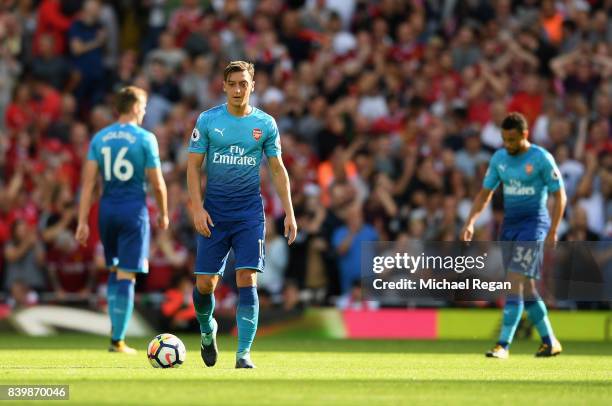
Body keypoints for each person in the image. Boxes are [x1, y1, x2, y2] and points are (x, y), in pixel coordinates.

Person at [187, 60, 297, 369]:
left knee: (247, 277)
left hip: (249, 213)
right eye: (232, 84)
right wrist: (197, 207)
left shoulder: (266, 124)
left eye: (243, 84)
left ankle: (243, 353)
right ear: (223, 86)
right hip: (215, 213)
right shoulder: (208, 121)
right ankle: (208, 330)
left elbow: (277, 169)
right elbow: (193, 167)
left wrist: (289, 212)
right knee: (205, 284)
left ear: (252, 86)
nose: (238, 89)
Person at [461, 112, 566, 359]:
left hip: (533, 226)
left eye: (512, 140)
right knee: (526, 288)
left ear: (524, 135)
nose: (507, 145)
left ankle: (503, 345)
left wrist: (553, 230)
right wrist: (471, 222)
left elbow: (559, 194)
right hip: (509, 228)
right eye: (504, 139)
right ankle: (550, 341)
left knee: (513, 282)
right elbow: (485, 194)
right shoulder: (499, 159)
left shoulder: (541, 158)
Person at [75, 86, 168, 353]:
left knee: (115, 269)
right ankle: (118, 340)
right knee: (127, 273)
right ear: (137, 107)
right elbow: (158, 183)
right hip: (133, 210)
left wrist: (82, 221)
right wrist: (162, 212)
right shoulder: (145, 138)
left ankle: (116, 335)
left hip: (107, 211)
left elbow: (88, 183)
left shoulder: (100, 138)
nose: (146, 111)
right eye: (144, 106)